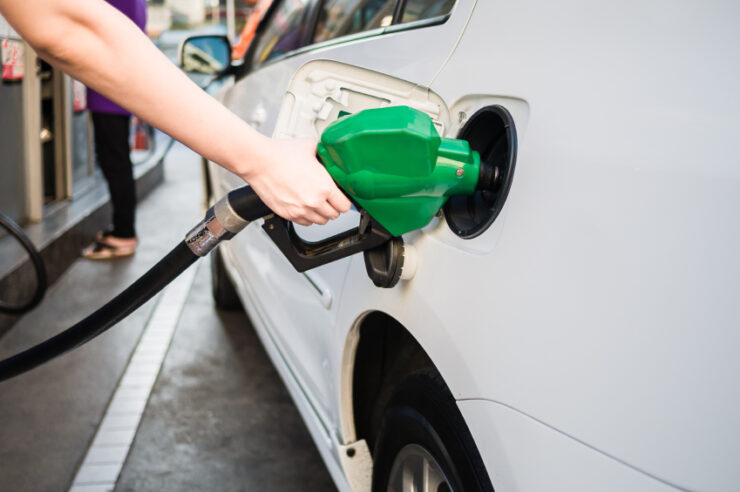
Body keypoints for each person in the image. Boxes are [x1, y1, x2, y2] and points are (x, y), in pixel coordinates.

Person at [0, 0, 351, 231]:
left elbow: (70, 30)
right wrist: (262, 161)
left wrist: (262, 162)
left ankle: (123, 233)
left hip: (107, 98)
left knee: (115, 161)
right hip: (113, 96)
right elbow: (68, 27)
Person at [83, 0, 146, 259]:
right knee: (116, 160)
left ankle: (123, 234)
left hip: (108, 85)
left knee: (115, 162)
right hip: (116, 83)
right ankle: (122, 229)